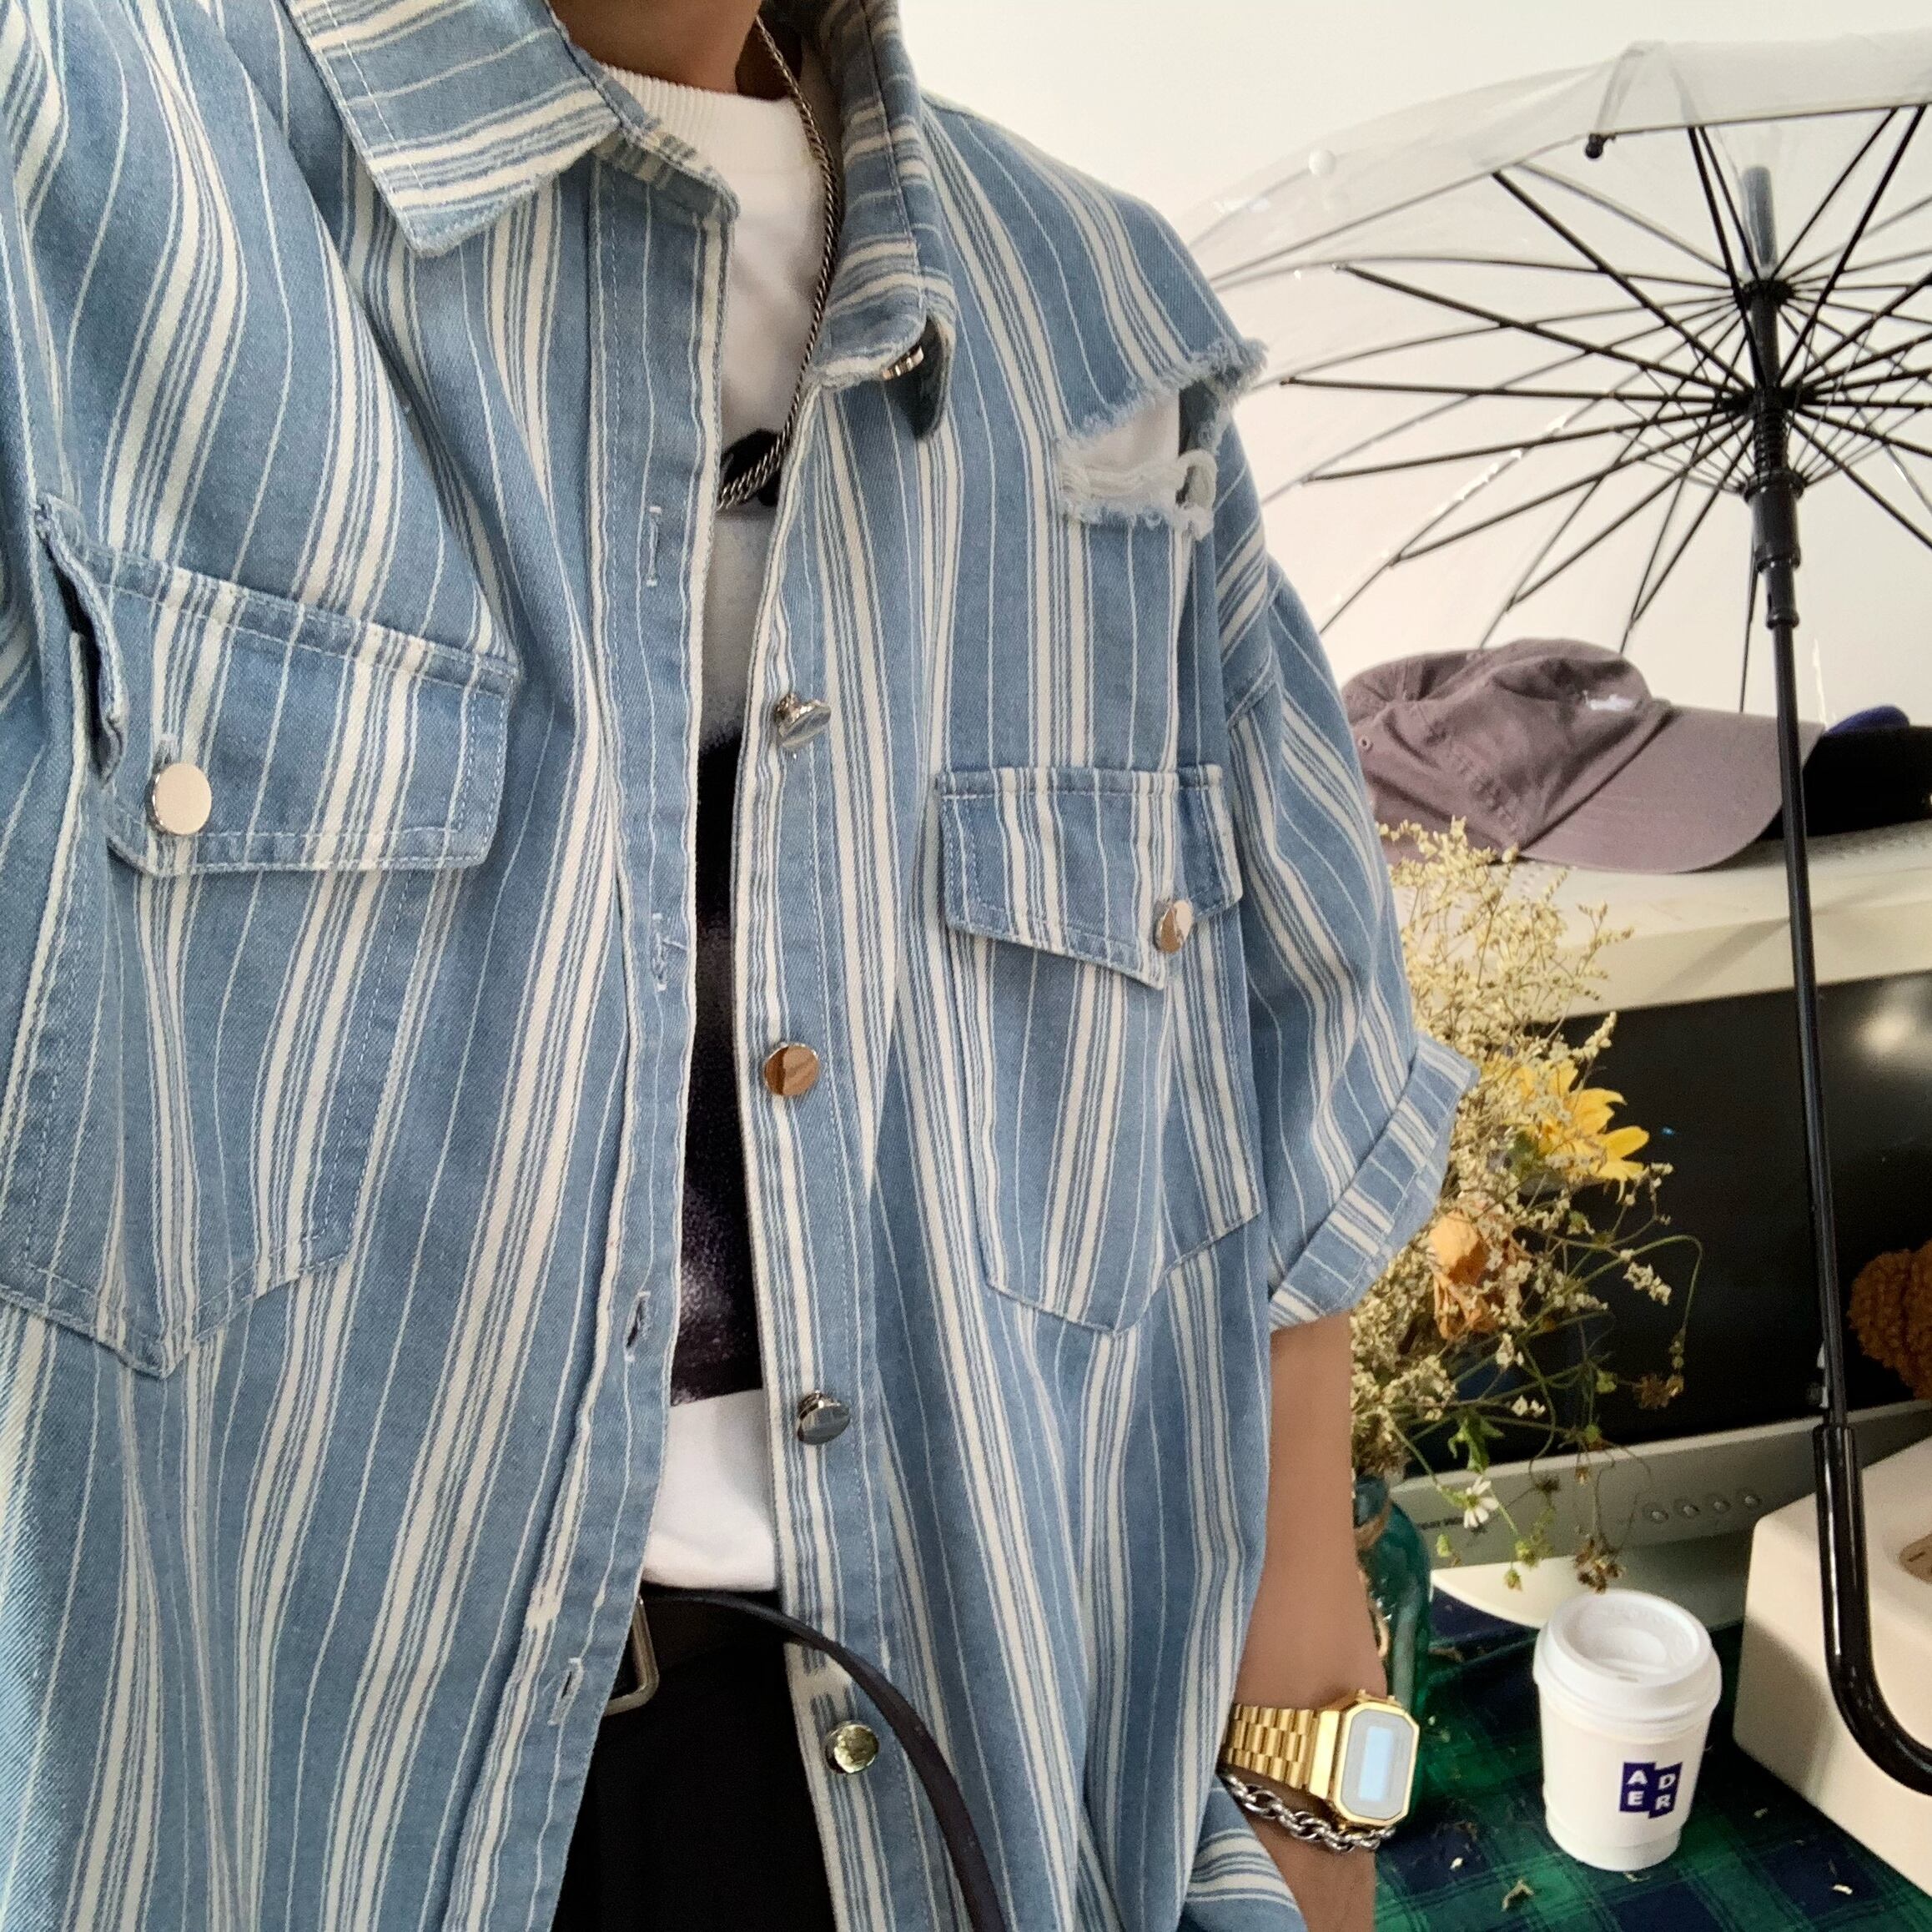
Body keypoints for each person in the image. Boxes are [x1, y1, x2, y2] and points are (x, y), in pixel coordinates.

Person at [0, 0, 1471, 1927]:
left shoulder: (1104, 336)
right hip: (272, 1823)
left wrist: (1311, 1836)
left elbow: (1289, 1188)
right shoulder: (64, 160)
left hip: (974, 1809)